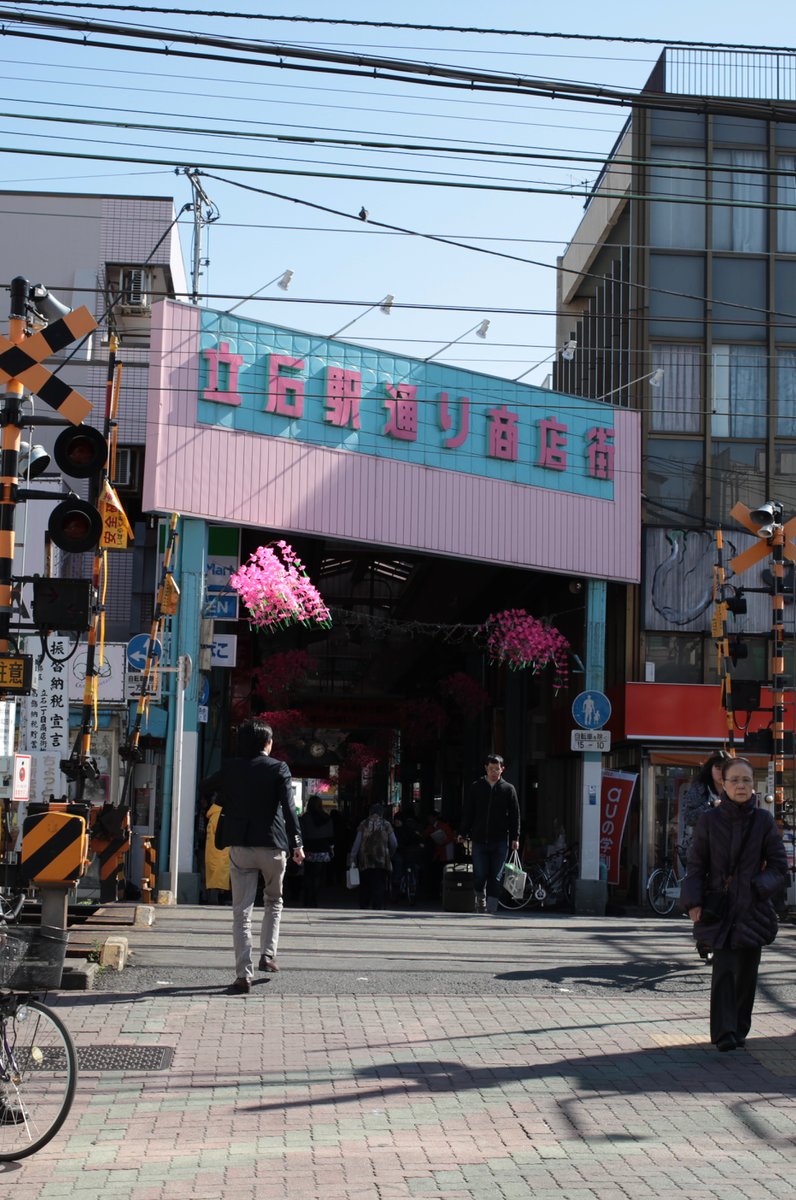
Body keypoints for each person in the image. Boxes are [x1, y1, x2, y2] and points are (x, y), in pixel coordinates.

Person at [680, 756, 788, 1052]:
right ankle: (724, 1032)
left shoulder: (763, 821)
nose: (741, 786)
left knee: (747, 974)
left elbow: (779, 867)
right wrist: (693, 903)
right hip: (721, 909)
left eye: (746, 781)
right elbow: (696, 865)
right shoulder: (709, 821)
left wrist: (758, 886)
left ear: (754, 785)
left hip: (753, 908)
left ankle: (740, 1028)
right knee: (725, 969)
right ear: (723, 785)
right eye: (735, 780)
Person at [200, 719, 304, 993]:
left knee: (241, 912)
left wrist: (230, 795)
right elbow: (289, 809)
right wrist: (297, 844)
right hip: (272, 846)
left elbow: (205, 787)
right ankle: (268, 956)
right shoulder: (278, 768)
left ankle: (242, 975)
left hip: (241, 847)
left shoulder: (232, 767)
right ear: (267, 743)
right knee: (273, 900)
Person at [458, 754, 520, 914]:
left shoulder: (508, 789)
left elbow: (515, 815)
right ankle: (480, 897)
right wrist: (463, 832)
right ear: (486, 768)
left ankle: (491, 908)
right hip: (479, 839)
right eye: (491, 769)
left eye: (497, 769)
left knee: (496, 876)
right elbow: (469, 812)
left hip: (500, 840)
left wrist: (515, 837)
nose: (494, 772)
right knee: (480, 874)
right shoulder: (476, 787)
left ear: (502, 770)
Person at [348, 802, 397, 910]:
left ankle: (364, 904)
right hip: (381, 860)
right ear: (382, 813)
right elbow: (394, 843)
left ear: (370, 812)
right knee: (379, 884)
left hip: (365, 859)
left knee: (365, 884)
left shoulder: (363, 824)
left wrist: (352, 858)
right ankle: (377, 906)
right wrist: (389, 853)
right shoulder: (386, 824)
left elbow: (357, 843)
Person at [681, 752, 727, 844]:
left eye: (725, 769)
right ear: (710, 768)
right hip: (704, 845)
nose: (722, 773)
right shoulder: (699, 789)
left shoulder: (737, 789)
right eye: (718, 768)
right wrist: (711, 805)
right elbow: (689, 818)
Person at [300, 793, 335, 907]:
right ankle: (314, 897)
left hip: (308, 848)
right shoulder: (327, 818)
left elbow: (301, 834)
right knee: (318, 875)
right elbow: (331, 835)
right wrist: (331, 848)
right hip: (322, 849)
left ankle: (306, 897)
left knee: (307, 874)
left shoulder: (305, 818)